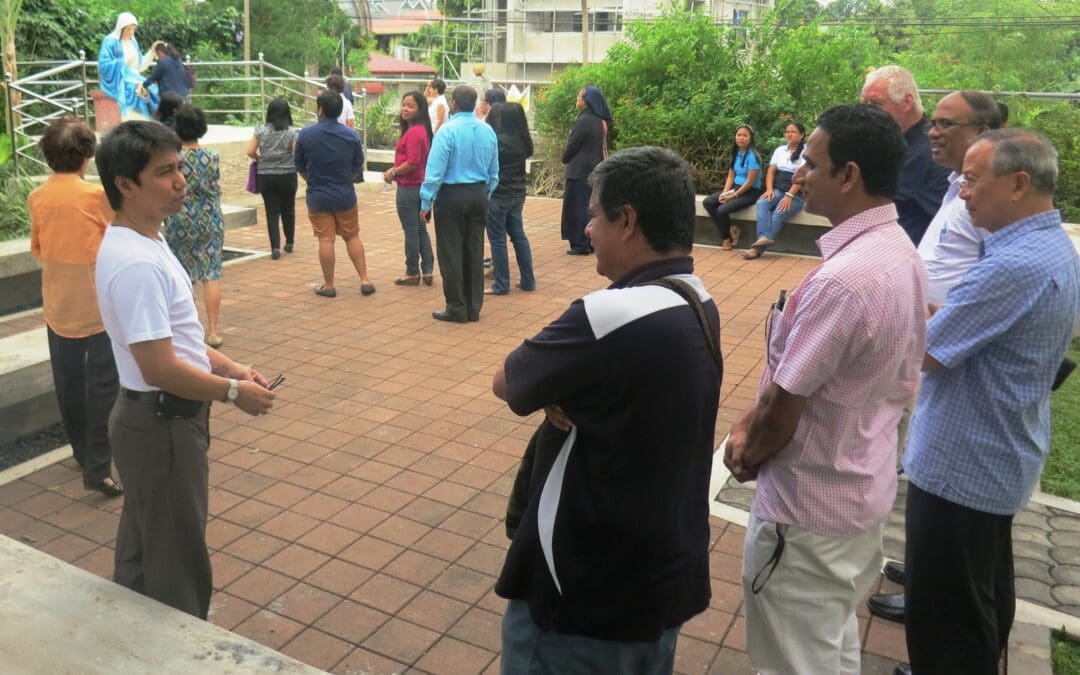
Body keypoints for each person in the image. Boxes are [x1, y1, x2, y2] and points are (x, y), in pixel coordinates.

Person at [493, 146, 720, 674]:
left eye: (595, 214)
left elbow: (507, 381)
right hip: (658, 579)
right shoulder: (696, 300)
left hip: (585, 591)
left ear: (628, 221)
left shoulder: (608, 314)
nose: (587, 227)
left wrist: (557, 390)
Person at [725, 104, 926, 675]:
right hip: (857, 494)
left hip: (807, 514)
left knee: (795, 661)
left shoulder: (845, 281)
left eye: (811, 163)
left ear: (849, 175)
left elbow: (786, 404)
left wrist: (745, 448)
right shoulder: (899, 253)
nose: (798, 174)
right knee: (827, 648)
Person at [903, 129, 1080, 674]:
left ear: (1019, 184)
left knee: (946, 615)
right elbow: (964, 332)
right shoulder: (1050, 247)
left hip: (962, 463)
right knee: (982, 592)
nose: (962, 192)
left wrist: (900, 311)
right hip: (996, 454)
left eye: (974, 180)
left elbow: (925, 353)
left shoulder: (1011, 265)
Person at [94, 120, 274, 619]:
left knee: (145, 542)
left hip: (154, 422)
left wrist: (231, 366)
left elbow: (180, 338)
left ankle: (133, 641)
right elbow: (159, 368)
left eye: (179, 168)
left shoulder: (148, 239)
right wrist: (233, 393)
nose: (180, 181)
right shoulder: (137, 264)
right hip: (161, 425)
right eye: (165, 172)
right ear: (126, 185)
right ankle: (180, 651)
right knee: (177, 560)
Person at [865, 91, 1003, 641]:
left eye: (947, 125)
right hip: (932, 339)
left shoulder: (993, 201)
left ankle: (940, 610)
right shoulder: (956, 187)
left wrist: (933, 317)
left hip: (951, 349)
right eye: (934, 124)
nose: (933, 133)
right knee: (928, 484)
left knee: (948, 501)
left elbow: (994, 280)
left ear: (985, 130)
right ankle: (925, 579)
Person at [28, 118, 122, 497]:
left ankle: (82, 454)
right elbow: (117, 241)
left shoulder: (37, 197)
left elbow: (37, 247)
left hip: (57, 305)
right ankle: (98, 468)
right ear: (86, 155)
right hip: (97, 309)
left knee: (68, 384)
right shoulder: (94, 196)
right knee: (103, 388)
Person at [420, 86, 498, 323]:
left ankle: (456, 307)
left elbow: (434, 172)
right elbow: (494, 172)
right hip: (479, 194)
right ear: (474, 104)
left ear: (453, 104)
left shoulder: (447, 131)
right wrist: (485, 193)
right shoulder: (488, 131)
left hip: (452, 195)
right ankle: (473, 308)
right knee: (474, 251)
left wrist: (425, 201)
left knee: (451, 251)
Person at [295, 90, 375, 298]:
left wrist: (312, 181)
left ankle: (329, 285)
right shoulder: (350, 135)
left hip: (318, 196)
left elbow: (300, 166)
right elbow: (358, 165)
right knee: (352, 235)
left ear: (320, 109)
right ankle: (365, 279)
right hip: (345, 195)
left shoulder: (305, 134)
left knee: (326, 240)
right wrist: (345, 180)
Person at [861, 65, 950, 244]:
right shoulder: (887, 144)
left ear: (907, 102)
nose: (867, 112)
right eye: (864, 104)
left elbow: (947, 228)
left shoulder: (932, 155)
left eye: (876, 104)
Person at [163, 104, 226, 347]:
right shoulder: (212, 156)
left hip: (180, 217)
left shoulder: (173, 159)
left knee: (182, 274)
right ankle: (213, 331)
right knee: (211, 273)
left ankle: (186, 329)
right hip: (210, 218)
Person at [383, 91, 435, 287]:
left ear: (420, 109)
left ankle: (412, 271)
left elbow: (413, 162)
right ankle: (428, 269)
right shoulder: (421, 129)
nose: (404, 108)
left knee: (411, 230)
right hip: (419, 187)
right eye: (403, 104)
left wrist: (393, 173)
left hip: (409, 187)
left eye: (410, 105)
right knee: (420, 229)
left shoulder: (415, 132)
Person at [484, 102, 536, 295]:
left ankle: (501, 284)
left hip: (499, 195)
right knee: (518, 236)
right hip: (517, 194)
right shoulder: (522, 140)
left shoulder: (498, 141)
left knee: (497, 240)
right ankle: (528, 280)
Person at [560, 85, 612, 255]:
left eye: (579, 96)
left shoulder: (584, 120)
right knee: (588, 207)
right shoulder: (600, 120)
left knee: (577, 207)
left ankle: (580, 243)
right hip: (594, 168)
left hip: (579, 170)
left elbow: (573, 145)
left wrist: (565, 157)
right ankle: (589, 241)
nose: (577, 98)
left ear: (587, 100)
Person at [743, 122, 806, 259]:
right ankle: (764, 238)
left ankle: (756, 250)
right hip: (778, 189)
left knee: (779, 212)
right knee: (762, 203)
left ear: (801, 135)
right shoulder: (780, 150)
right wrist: (769, 189)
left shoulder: (807, 151)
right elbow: (771, 171)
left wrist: (789, 195)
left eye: (793, 132)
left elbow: (803, 176)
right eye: (787, 131)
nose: (788, 134)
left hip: (796, 194)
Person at [247, 97, 299, 259]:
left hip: (266, 176)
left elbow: (250, 151)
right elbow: (296, 153)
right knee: (288, 209)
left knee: (272, 212)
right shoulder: (291, 132)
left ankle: (275, 247)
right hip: (288, 176)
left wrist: (260, 158)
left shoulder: (260, 130)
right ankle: (289, 242)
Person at [702, 124, 763, 251]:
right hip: (736, 187)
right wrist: (725, 193)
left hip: (750, 191)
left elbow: (750, 182)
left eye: (745, 135)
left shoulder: (753, 156)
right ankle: (731, 229)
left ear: (750, 138)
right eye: (739, 135)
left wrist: (734, 195)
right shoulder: (736, 153)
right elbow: (731, 176)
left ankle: (726, 239)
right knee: (708, 202)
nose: (741, 138)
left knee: (722, 210)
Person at [97, 12, 159, 119]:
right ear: (121, 28)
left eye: (133, 29)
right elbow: (103, 65)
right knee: (136, 90)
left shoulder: (133, 41)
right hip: (120, 78)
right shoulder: (110, 41)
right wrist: (123, 61)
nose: (131, 32)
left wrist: (151, 53)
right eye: (128, 29)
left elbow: (139, 66)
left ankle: (149, 120)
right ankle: (133, 119)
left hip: (135, 76)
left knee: (152, 89)